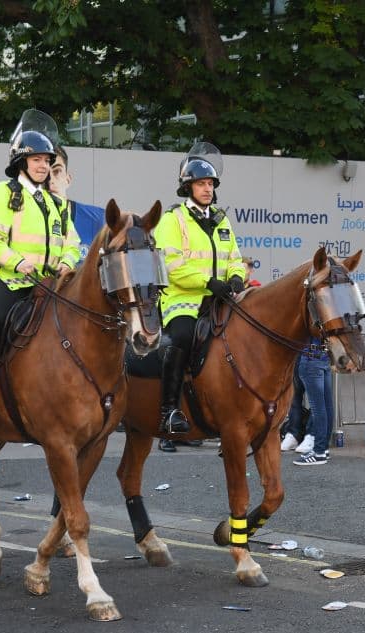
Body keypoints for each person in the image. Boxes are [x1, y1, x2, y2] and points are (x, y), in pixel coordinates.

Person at [0, 110, 80, 420]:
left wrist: (67, 264)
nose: (44, 166)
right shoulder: (4, 193)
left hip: (50, 285)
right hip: (10, 281)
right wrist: (18, 262)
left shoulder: (56, 203)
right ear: (21, 162)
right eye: (37, 160)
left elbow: (72, 242)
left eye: (47, 161)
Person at [153, 142, 246, 440]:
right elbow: (172, 264)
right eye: (200, 183)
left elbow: (234, 256)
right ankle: (169, 410)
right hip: (184, 300)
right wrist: (207, 283)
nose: (207, 189)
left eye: (210, 184)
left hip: (220, 298)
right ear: (187, 187)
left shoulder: (221, 219)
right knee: (181, 336)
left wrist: (236, 277)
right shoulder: (172, 219)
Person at [279, 337, 335, 466]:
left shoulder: (310, 316)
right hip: (323, 356)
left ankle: (319, 452)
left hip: (310, 357)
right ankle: (323, 449)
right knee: (326, 406)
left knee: (318, 409)